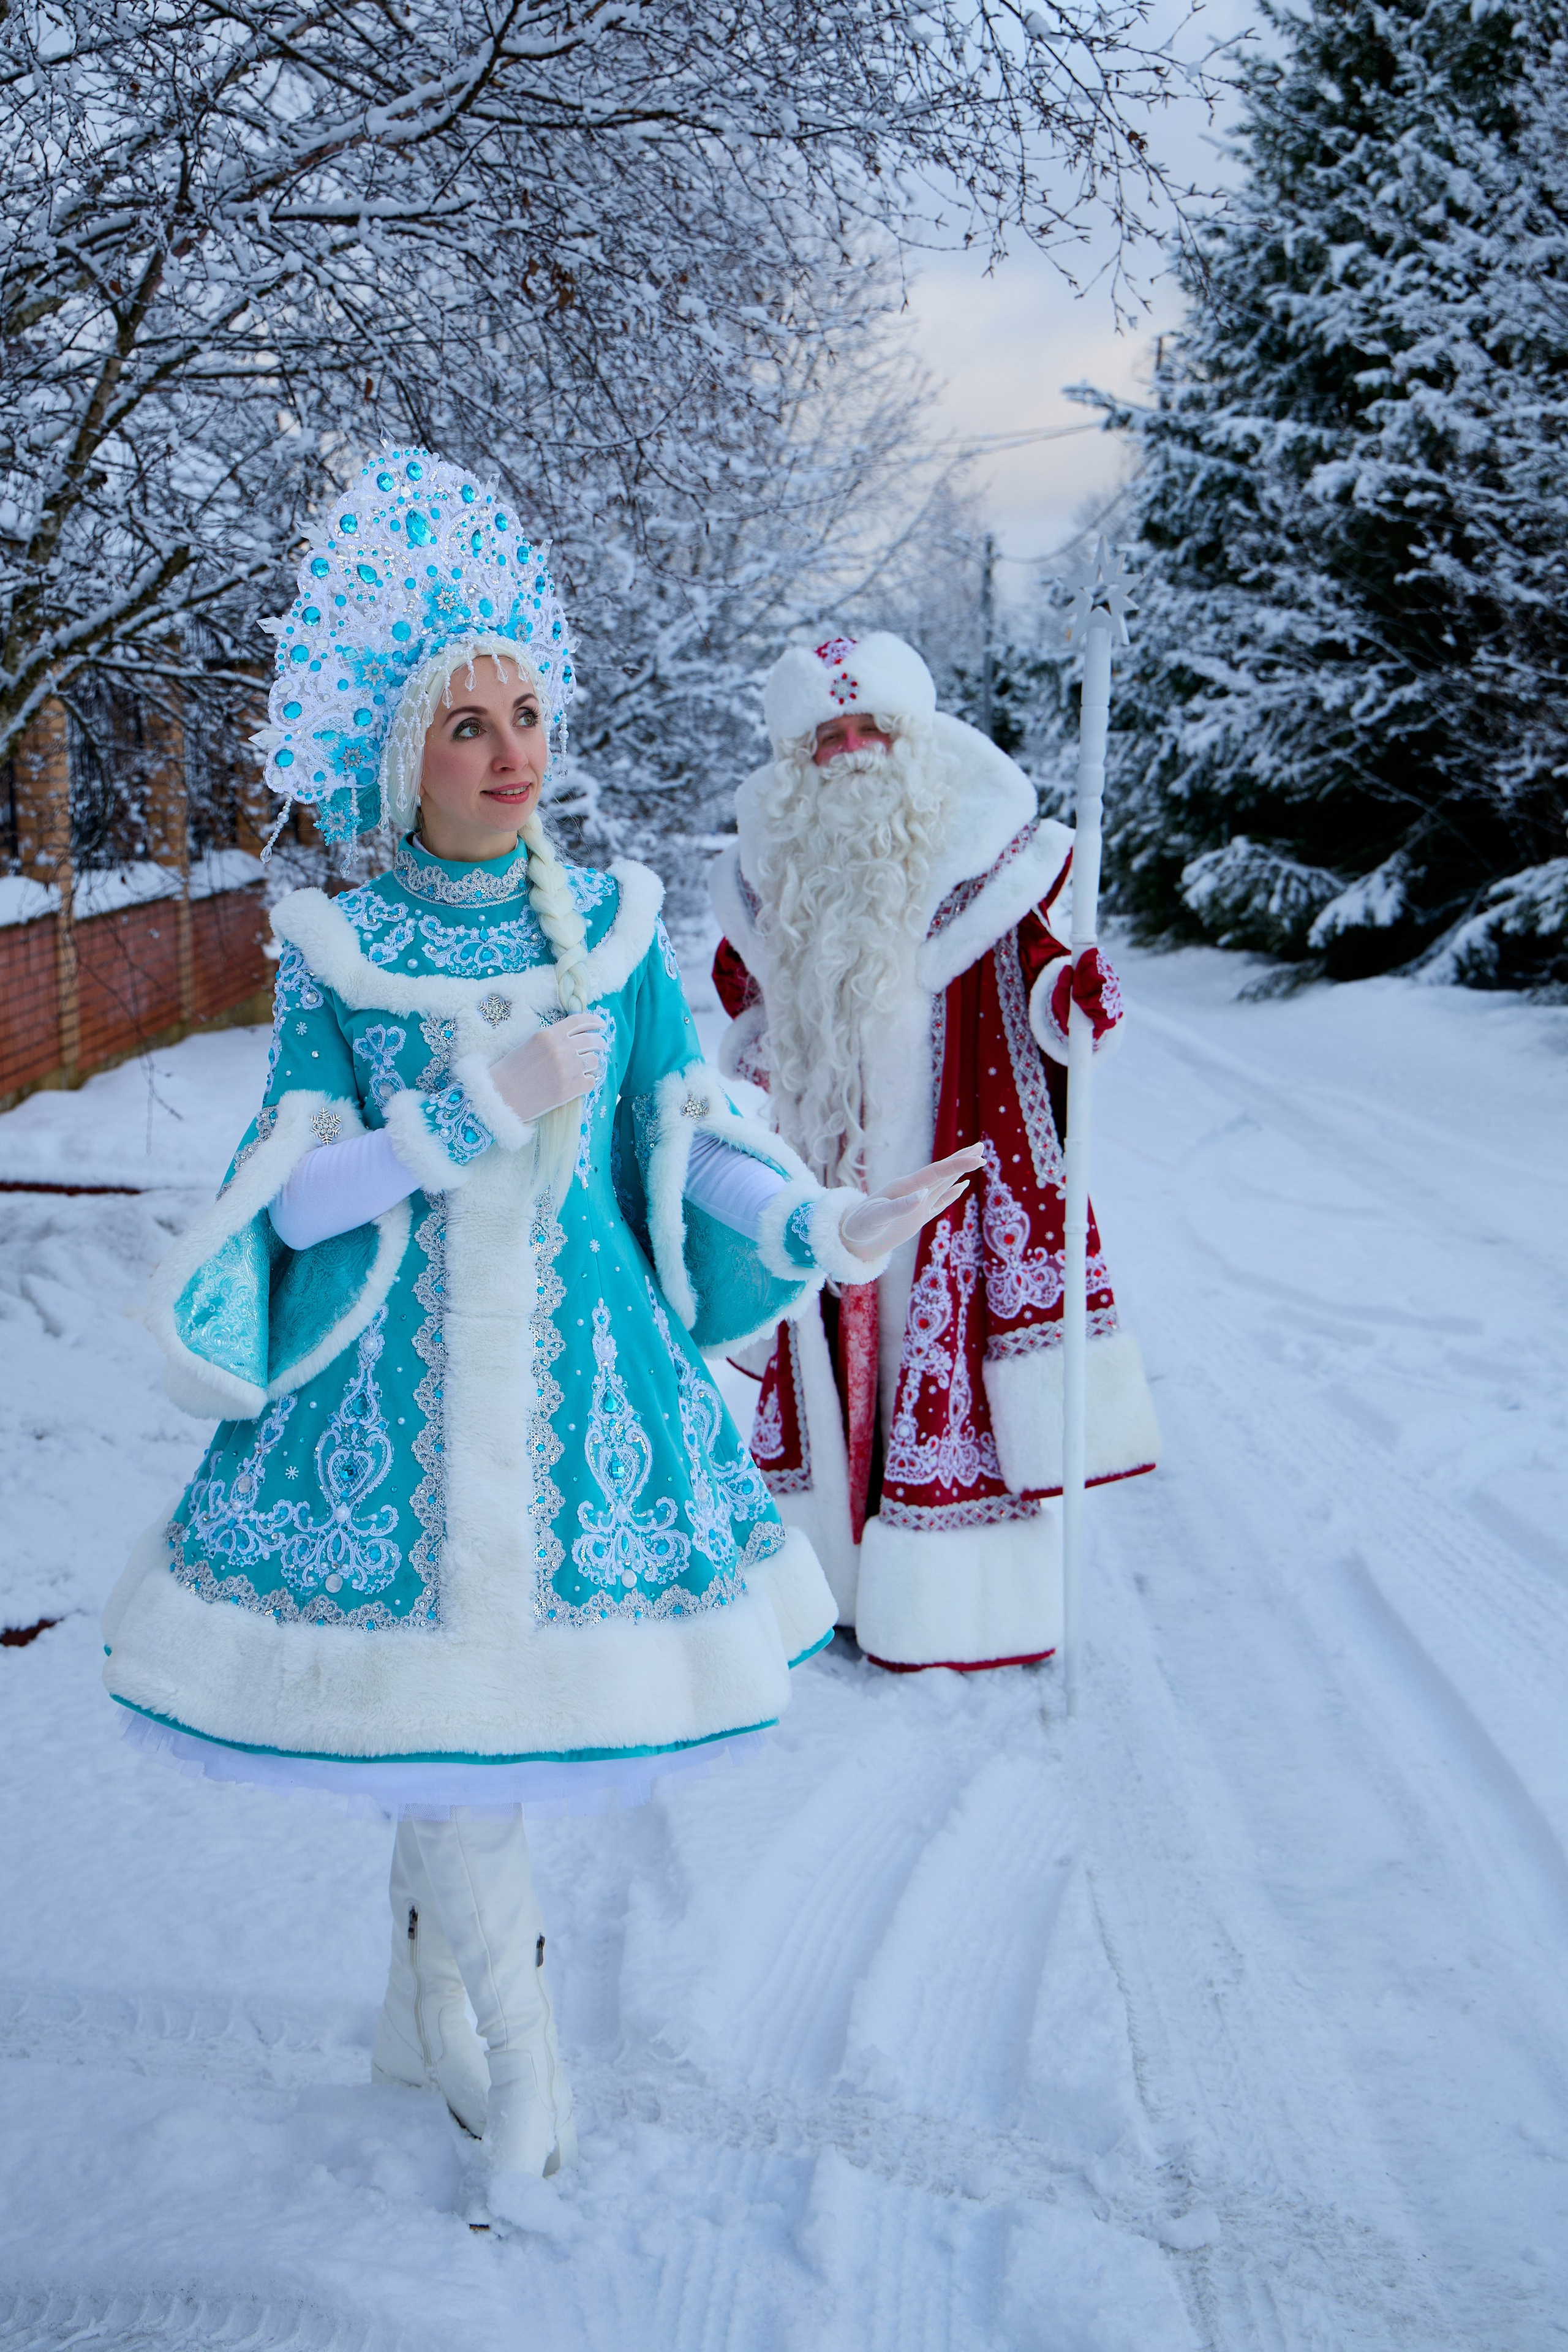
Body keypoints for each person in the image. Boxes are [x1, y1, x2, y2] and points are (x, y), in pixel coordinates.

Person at [101, 457, 977, 2215]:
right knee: (438, 1743)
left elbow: (690, 1140)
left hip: (581, 1408)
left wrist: (824, 1225)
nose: (513, 755)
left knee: (466, 1755)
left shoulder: (624, 936)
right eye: (468, 726)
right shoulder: (337, 958)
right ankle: (512, 2065)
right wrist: (460, 1115)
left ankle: (457, 2033)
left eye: (525, 715)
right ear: (400, 759)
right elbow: (287, 1200)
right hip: (389, 1419)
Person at [709, 630, 1161, 1673]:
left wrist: (1074, 1000)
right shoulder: (769, 871)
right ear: (797, 757)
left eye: (874, 727)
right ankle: (830, 1580)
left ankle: (960, 1604)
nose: (854, 749)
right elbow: (746, 992)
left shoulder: (996, 858)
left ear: (914, 739)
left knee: (932, 1360)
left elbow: (1047, 978)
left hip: (951, 1174)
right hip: (818, 1175)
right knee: (824, 1357)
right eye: (829, 734)